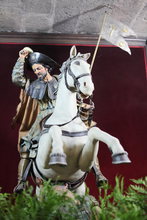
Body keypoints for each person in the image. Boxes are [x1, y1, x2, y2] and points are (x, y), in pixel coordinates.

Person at [12, 47, 107, 193]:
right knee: (27, 145)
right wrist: (21, 58)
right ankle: (21, 182)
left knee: (88, 137)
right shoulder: (34, 85)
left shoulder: (61, 80)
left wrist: (82, 97)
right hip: (44, 117)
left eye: (39, 68)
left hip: (66, 115)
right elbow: (17, 79)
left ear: (47, 68)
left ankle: (98, 173)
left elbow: (74, 91)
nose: (37, 72)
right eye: (34, 69)